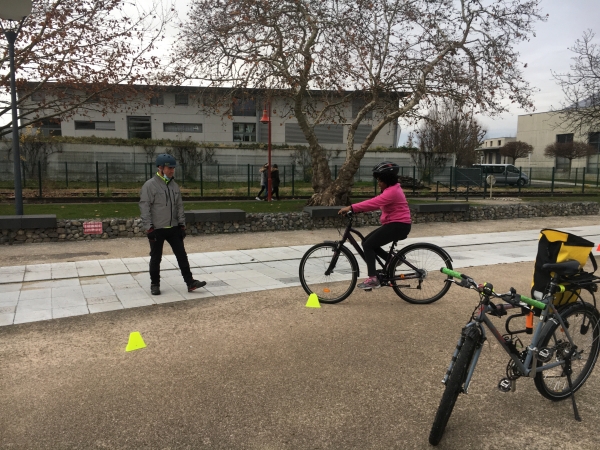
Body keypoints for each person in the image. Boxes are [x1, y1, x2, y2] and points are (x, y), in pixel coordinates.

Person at [139, 154, 206, 295]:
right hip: (157, 228)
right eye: (169, 168)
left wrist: (182, 225)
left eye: (173, 168)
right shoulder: (150, 185)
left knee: (182, 255)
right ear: (160, 168)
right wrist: (148, 228)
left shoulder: (174, 186)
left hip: (174, 227)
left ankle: (190, 282)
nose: (172, 171)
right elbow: (145, 207)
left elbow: (179, 206)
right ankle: (155, 284)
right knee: (156, 257)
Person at [338, 161, 411, 290]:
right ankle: (393, 260)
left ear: (387, 180)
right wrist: (355, 210)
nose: (378, 183)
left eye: (380, 180)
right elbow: (373, 203)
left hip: (398, 225)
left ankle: (373, 278)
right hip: (395, 224)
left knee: (367, 245)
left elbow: (374, 203)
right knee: (368, 242)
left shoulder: (392, 192)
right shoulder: (391, 190)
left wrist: (351, 207)